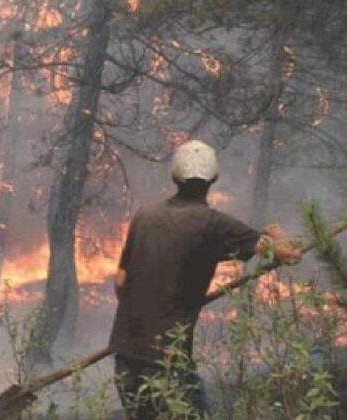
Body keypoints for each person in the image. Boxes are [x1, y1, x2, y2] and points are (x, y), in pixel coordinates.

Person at [109, 140, 302, 419]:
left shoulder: (145, 215)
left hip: (125, 357)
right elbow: (291, 253)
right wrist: (275, 231)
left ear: (173, 176)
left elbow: (120, 280)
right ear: (214, 178)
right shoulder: (214, 224)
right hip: (169, 362)